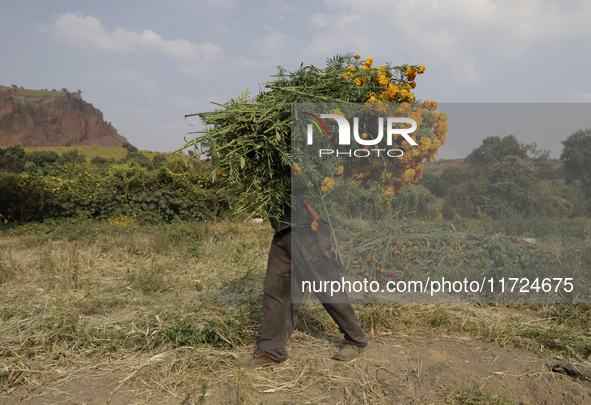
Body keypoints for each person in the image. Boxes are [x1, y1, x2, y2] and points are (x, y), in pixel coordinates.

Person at [236, 201, 368, 368]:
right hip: (283, 226)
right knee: (276, 290)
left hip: (310, 226)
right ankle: (271, 350)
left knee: (326, 286)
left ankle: (356, 339)